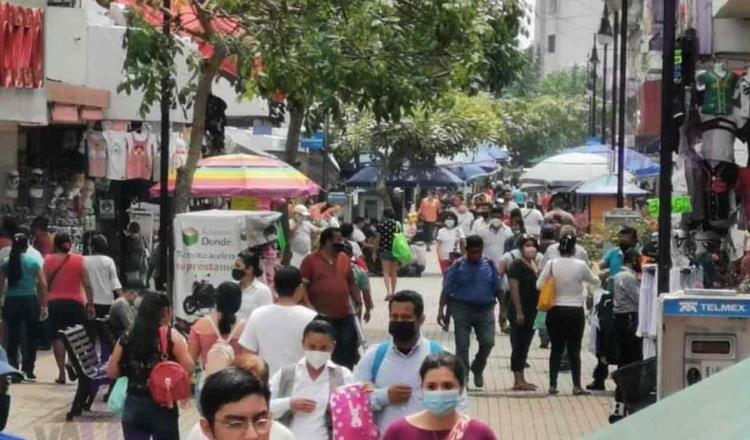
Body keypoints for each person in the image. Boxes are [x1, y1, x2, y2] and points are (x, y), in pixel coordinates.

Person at [355, 291, 461, 434]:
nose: (399, 321)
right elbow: (354, 402)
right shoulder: (374, 357)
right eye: (394, 317)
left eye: (406, 317)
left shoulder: (440, 356)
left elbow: (459, 403)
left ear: (421, 319)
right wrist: (384, 396)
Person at [107, 292, 194, 440]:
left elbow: (112, 372)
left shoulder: (128, 336)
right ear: (166, 311)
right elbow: (189, 368)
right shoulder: (171, 336)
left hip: (133, 404)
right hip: (164, 406)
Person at [536, 234, 600, 395]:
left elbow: (539, 285)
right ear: (574, 248)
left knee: (556, 349)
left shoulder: (551, 264)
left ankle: (552, 385)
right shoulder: (580, 265)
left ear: (558, 248)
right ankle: (577, 385)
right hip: (575, 311)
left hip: (555, 311)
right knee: (574, 349)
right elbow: (594, 281)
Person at [269, 319, 353, 440]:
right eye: (312, 347)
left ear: (333, 346)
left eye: (323, 348)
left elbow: (352, 410)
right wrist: (288, 403)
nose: (317, 352)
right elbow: (265, 408)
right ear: (303, 343)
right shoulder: (285, 375)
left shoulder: (343, 376)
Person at [382, 352, 496, 440]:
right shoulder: (399, 432)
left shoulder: (480, 434)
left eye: (448, 386)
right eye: (431, 387)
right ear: (422, 388)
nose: (439, 392)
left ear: (461, 388)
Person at [438, 236, 501, 389]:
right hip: (461, 308)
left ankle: (478, 367)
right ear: (466, 250)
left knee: (488, 342)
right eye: (472, 252)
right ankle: (463, 376)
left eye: (478, 252)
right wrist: (441, 310)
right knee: (462, 345)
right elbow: (446, 289)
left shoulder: (489, 265)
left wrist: (503, 311)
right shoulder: (457, 266)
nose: (476, 255)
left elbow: (498, 288)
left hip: (485, 309)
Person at [299, 228, 361, 369]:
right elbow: (302, 286)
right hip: (322, 317)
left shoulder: (344, 258)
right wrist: (309, 306)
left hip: (344, 315)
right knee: (325, 352)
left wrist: (358, 301)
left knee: (348, 349)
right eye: (338, 240)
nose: (342, 243)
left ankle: (346, 375)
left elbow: (351, 282)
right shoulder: (310, 260)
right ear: (327, 241)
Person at [239, 267, 317, 376]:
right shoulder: (311, 317)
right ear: (300, 289)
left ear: (274, 289)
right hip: (299, 384)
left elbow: (247, 354)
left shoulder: (258, 314)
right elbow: (317, 359)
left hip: (266, 384)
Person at [191, 365, 294, 440]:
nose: (252, 435)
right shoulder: (196, 435)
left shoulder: (283, 436)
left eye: (261, 422)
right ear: (207, 428)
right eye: (236, 424)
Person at [44, 233, 94, 385]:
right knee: (75, 337)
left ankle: (61, 374)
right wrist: (90, 304)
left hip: (54, 303)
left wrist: (43, 303)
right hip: (75, 304)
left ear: (56, 244)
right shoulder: (80, 260)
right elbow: (88, 284)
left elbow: (43, 283)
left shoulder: (48, 260)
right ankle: (72, 364)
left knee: (57, 337)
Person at [0, 233, 47, 381]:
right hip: (29, 300)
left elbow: (0, 284)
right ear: (27, 246)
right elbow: (43, 285)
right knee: (30, 336)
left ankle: (13, 368)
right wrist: (43, 305)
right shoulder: (33, 261)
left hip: (11, 301)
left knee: (12, 337)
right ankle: (28, 368)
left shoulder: (6, 262)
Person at [507, 235, 541, 391]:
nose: (531, 248)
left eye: (533, 245)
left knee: (525, 344)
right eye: (527, 245)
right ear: (521, 248)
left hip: (532, 309)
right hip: (519, 310)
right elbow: (514, 289)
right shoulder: (516, 265)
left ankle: (522, 378)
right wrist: (519, 311)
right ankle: (517, 379)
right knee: (518, 344)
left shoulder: (533, 264)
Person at [611, 248, 643, 418]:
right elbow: (638, 298)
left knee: (625, 359)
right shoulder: (628, 277)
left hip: (622, 319)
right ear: (633, 260)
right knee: (630, 359)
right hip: (628, 320)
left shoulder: (619, 275)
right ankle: (624, 396)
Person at [189, 282, 245, 372]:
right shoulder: (245, 329)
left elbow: (190, 363)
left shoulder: (199, 326)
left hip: (208, 382)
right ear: (238, 303)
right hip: (235, 383)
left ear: (216, 299)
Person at [233, 250, 273, 321]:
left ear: (249, 269)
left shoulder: (263, 291)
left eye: (238, 266)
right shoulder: (231, 287)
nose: (234, 269)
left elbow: (267, 318)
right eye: (235, 265)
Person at [471, 206, 513, 270]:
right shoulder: (482, 231)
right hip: (485, 266)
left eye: (498, 217)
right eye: (494, 216)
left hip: (502, 267)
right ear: (490, 216)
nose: (496, 219)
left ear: (502, 217)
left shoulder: (509, 232)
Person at [375, 208, 401, 300]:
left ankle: (388, 292)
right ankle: (394, 292)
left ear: (384, 215)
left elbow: (378, 238)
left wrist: (375, 250)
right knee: (394, 272)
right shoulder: (398, 224)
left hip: (384, 249)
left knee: (386, 272)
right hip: (395, 250)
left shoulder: (381, 225)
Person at [122, 222, 148, 289]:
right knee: (140, 289)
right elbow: (148, 253)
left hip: (131, 268)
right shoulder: (142, 239)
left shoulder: (127, 240)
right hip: (142, 267)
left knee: (132, 288)